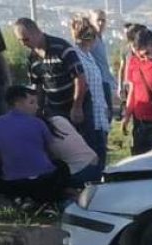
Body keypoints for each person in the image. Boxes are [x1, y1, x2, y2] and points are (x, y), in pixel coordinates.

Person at [0, 85, 68, 204]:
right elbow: (53, 152)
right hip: (44, 181)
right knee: (62, 166)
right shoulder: (38, 123)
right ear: (17, 103)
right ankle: (52, 198)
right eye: (32, 103)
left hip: (13, 184)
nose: (37, 107)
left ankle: (15, 198)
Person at [13, 17, 87, 129]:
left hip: (76, 104)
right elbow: (38, 87)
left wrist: (77, 106)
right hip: (55, 109)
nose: (24, 44)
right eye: (20, 41)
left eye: (26, 39)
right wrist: (39, 110)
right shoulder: (32, 59)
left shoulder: (61, 47)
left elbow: (79, 78)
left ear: (36, 33)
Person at [120, 23, 152, 155]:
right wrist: (127, 115)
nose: (134, 48)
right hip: (140, 122)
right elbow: (133, 90)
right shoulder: (133, 62)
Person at [70, 16, 108, 166]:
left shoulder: (89, 56)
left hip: (99, 116)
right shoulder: (75, 55)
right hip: (88, 116)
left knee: (100, 157)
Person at [43, 113, 99, 187]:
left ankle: (71, 193)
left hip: (79, 172)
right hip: (95, 162)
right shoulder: (59, 118)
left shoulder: (40, 131)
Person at [88, 9, 114, 117]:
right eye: (98, 20)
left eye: (103, 20)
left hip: (105, 81)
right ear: (91, 21)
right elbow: (81, 50)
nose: (101, 23)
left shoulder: (99, 38)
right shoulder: (90, 36)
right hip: (97, 84)